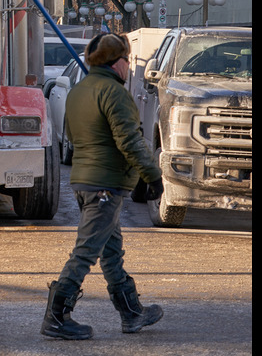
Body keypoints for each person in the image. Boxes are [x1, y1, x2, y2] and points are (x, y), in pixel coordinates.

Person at [41, 32, 165, 340]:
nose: (128, 66)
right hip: (105, 185)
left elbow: (70, 134)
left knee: (111, 253)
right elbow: (130, 140)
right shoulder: (114, 93)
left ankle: (131, 313)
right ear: (116, 62)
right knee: (86, 252)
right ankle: (57, 317)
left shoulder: (79, 91)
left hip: (85, 181)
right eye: (126, 60)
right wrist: (152, 176)